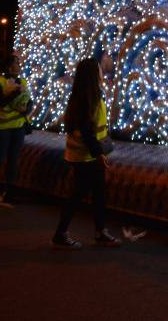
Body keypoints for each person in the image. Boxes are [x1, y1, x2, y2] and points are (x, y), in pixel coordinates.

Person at [52, 58, 120, 249]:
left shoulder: (84, 95)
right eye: (99, 69)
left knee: (98, 194)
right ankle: (61, 233)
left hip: (84, 154)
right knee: (78, 195)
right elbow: (87, 129)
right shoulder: (88, 97)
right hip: (85, 156)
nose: (102, 71)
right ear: (93, 74)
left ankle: (100, 231)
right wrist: (99, 153)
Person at [0, 56, 32, 205]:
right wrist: (17, 92)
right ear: (9, 67)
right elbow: (2, 103)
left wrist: (27, 109)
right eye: (17, 63)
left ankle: (9, 193)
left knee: (13, 159)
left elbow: (29, 101)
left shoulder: (22, 81)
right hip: (1, 127)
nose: (19, 65)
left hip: (18, 126)